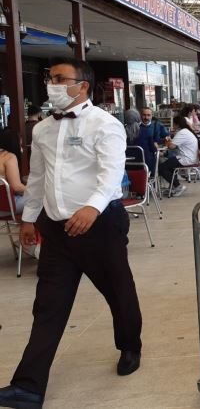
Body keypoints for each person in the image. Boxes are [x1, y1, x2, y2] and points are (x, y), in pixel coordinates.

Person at [0, 58, 142, 409]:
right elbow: (37, 178)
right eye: (50, 78)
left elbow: (110, 173)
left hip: (100, 226)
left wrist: (92, 208)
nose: (52, 84)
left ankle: (129, 345)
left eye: (61, 79)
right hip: (57, 230)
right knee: (48, 306)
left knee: (118, 291)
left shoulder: (104, 124)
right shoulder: (42, 129)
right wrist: (30, 218)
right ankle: (28, 387)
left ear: (83, 85)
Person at [159, 115, 198, 197]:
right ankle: (173, 186)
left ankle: (178, 186)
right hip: (190, 157)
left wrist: (168, 140)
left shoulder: (182, 133)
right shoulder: (186, 131)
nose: (173, 126)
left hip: (186, 158)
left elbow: (171, 146)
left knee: (161, 168)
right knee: (170, 164)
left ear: (177, 124)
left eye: (173, 124)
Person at [0, 134, 26, 217]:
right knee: (42, 200)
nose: (21, 148)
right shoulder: (8, 157)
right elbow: (17, 188)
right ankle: (30, 228)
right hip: (5, 207)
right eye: (20, 144)